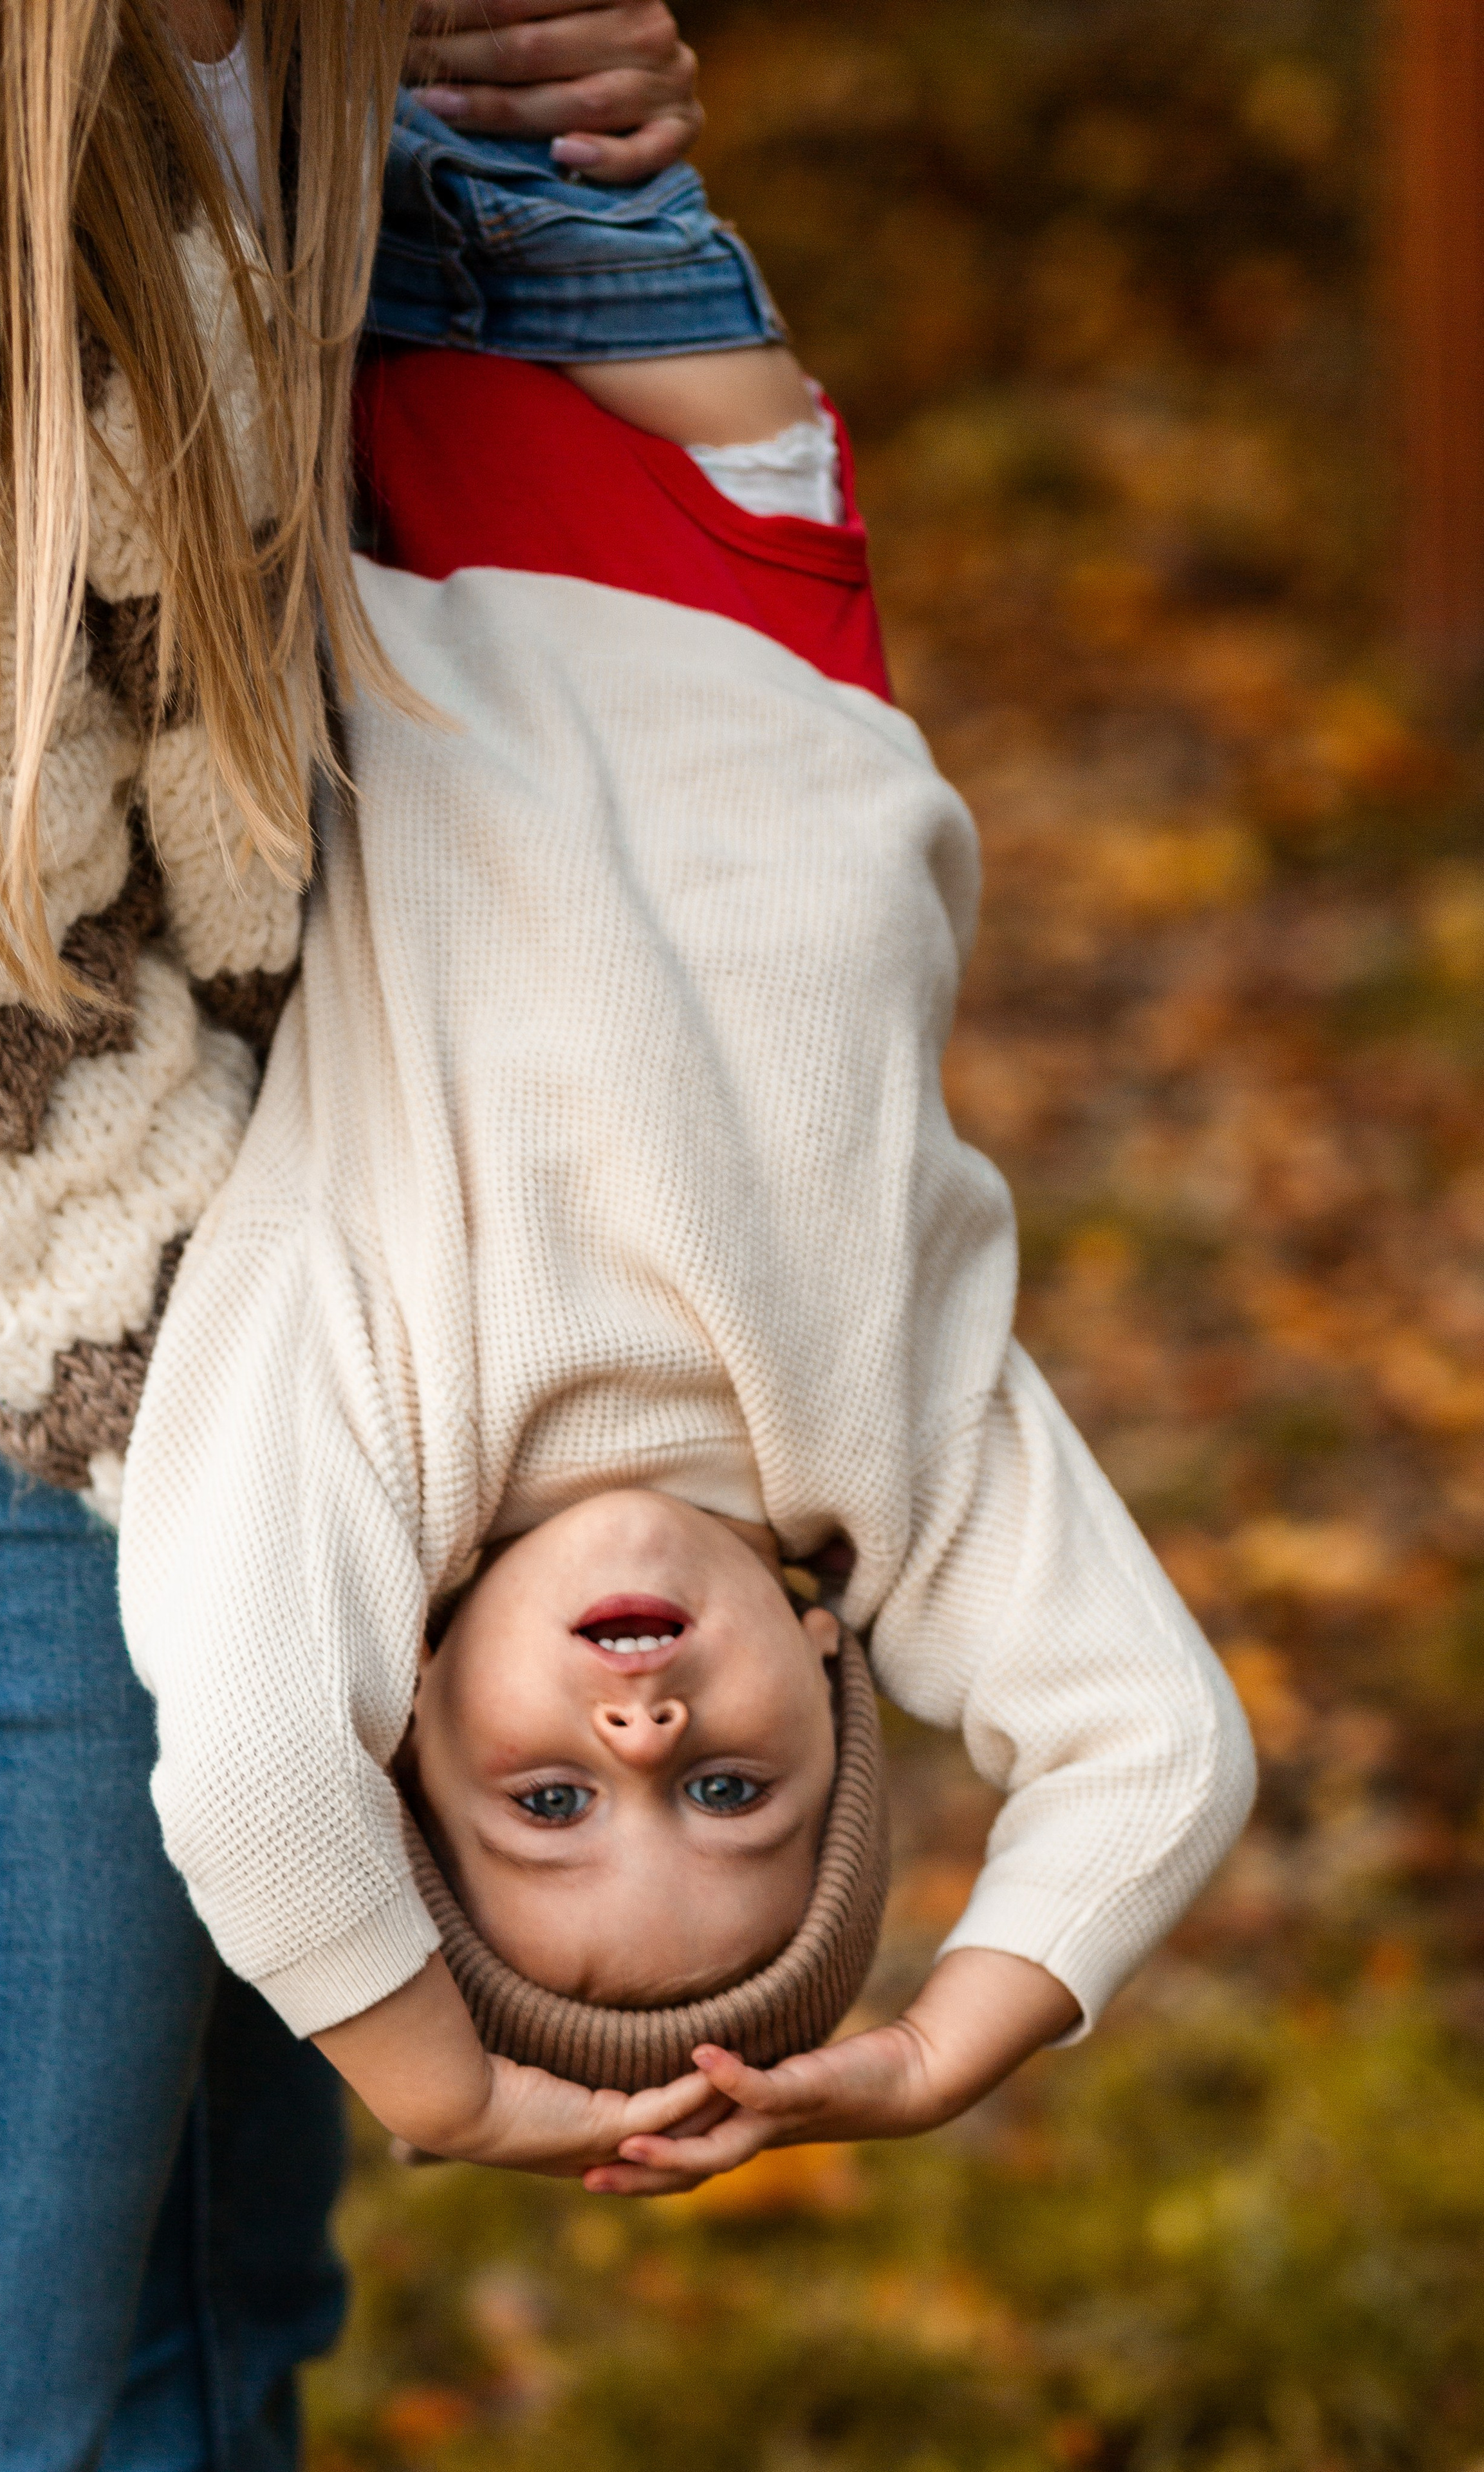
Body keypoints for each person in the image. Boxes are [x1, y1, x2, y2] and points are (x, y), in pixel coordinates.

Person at [118, 236, 1258, 2191]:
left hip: (369, 504)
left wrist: (444, 2091)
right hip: (711, 535)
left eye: (546, 1799)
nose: (642, 1737)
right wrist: (924, 2058)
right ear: (833, 1685)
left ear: (405, 1729)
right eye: (732, 1793)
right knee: (549, 69)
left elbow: (244, 1776)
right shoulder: (894, 1476)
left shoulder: (374, 1426)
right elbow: (1159, 1753)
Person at [0, 2, 705, 2462]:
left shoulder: (343, 46)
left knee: (206, 2320)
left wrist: (568, 209)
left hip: (234, 1228)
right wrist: (336, 1519)